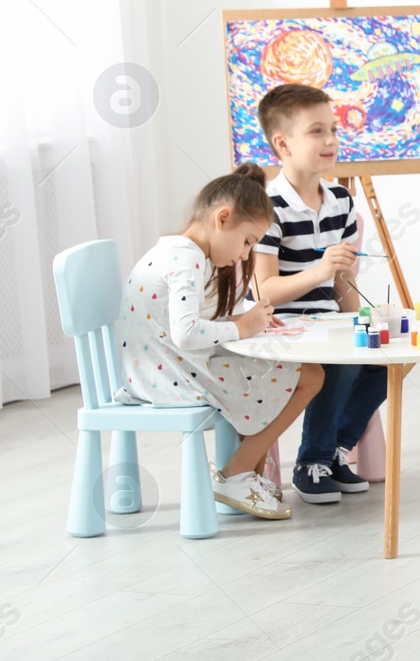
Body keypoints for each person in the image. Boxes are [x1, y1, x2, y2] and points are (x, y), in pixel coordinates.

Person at [115, 165, 324, 519]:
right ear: (223, 218)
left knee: (294, 371)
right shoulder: (188, 258)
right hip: (168, 380)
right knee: (312, 375)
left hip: (152, 373)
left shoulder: (173, 248)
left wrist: (240, 322)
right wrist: (240, 328)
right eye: (246, 242)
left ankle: (244, 475)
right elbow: (185, 334)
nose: (244, 256)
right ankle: (235, 474)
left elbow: (178, 326)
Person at [251, 83, 383, 504]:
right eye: (316, 132)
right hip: (282, 324)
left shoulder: (341, 201)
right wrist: (320, 270)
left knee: (382, 360)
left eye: (333, 129)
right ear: (282, 144)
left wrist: (362, 321)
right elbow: (265, 290)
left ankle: (333, 451)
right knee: (339, 358)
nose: (330, 141)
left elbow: (342, 283)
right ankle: (312, 462)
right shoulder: (267, 205)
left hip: (326, 321)